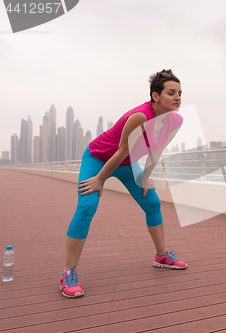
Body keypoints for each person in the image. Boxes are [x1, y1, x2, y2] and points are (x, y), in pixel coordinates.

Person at [60, 69, 187, 298]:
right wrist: (99, 180)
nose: (178, 97)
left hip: (128, 163)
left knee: (152, 202)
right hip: (99, 158)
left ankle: (161, 256)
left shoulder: (175, 120)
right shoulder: (139, 116)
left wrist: (146, 179)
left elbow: (156, 151)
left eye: (180, 93)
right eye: (171, 93)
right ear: (156, 96)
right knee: (87, 206)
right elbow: (120, 151)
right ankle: (69, 273)